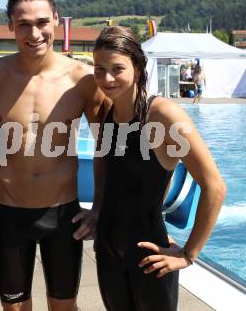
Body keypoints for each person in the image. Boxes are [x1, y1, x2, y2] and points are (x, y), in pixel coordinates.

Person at [0, 0, 105, 311]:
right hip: (9, 214)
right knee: (15, 309)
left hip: (63, 215)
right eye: (24, 25)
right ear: (11, 27)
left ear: (56, 21)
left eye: (42, 22)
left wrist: (99, 208)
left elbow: (107, 145)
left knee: (64, 307)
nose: (34, 34)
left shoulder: (82, 79)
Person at [92, 26, 226, 310]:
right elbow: (106, 169)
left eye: (117, 68)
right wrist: (96, 210)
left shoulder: (162, 115)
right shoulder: (108, 114)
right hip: (106, 250)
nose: (107, 78)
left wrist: (189, 254)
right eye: (99, 69)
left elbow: (214, 186)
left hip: (150, 255)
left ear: (138, 68)